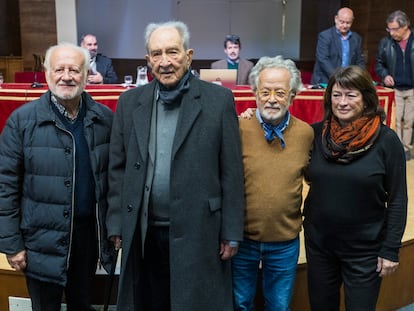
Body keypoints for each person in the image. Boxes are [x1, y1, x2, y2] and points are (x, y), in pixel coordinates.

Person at [105, 20, 245, 311]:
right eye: (156, 54)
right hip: (144, 233)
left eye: (173, 51)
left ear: (189, 55)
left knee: (193, 302)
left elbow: (231, 172)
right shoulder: (130, 103)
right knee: (149, 301)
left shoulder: (218, 101)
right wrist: (117, 223)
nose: (165, 61)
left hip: (200, 230)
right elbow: (117, 169)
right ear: (147, 60)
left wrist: (231, 231)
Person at [0, 42, 114, 310]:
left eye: (74, 70)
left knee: (82, 305)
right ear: (47, 73)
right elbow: (5, 186)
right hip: (39, 242)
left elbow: (114, 181)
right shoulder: (22, 121)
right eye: (59, 69)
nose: (66, 76)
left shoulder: (105, 120)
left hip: (86, 242)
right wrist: (12, 244)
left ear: (86, 74)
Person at [303, 65, 407, 310]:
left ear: (366, 98)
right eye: (336, 94)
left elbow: (398, 198)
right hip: (320, 246)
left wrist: (391, 249)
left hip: (365, 250)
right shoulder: (315, 134)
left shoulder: (386, 140)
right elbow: (279, 132)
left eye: (351, 95)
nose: (342, 102)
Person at [234, 55, 313, 310]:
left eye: (280, 93)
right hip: (242, 239)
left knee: (278, 306)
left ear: (292, 96)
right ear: (255, 93)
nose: (271, 99)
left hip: (284, 241)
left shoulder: (305, 133)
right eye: (265, 91)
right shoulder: (238, 128)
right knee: (240, 304)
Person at [375, 10, 414, 161]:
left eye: (394, 29)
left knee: (409, 121)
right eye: (389, 29)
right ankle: (396, 149)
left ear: (405, 27)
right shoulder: (386, 43)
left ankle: (405, 148)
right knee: (396, 120)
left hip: (411, 89)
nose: (391, 33)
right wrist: (385, 75)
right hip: (394, 89)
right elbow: (379, 63)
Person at [311, 7, 365, 85]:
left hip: (348, 82)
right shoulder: (325, 36)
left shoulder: (356, 38)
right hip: (325, 80)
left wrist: (357, 77)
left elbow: (359, 61)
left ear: (352, 21)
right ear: (336, 19)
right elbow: (323, 59)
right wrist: (338, 78)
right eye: (342, 22)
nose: (344, 25)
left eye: (348, 23)